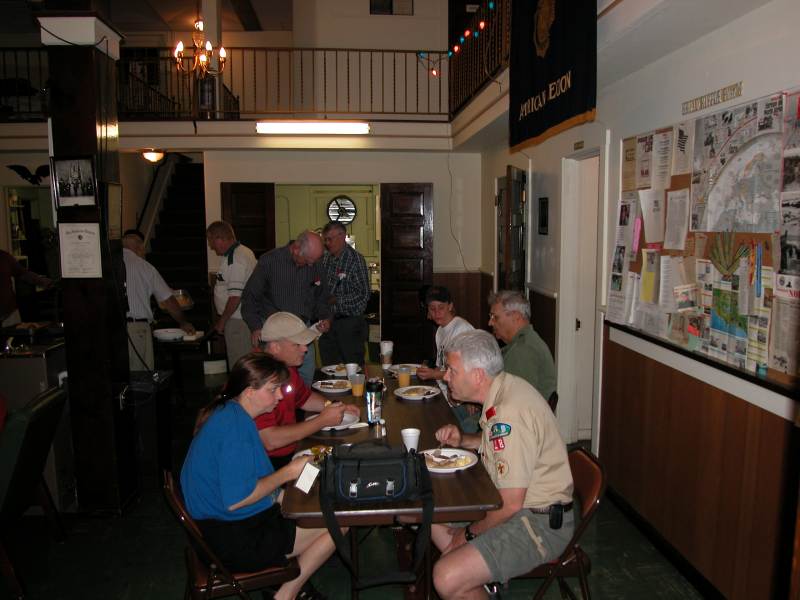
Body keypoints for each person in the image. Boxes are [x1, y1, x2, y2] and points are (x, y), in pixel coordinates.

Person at [431, 330, 574, 599]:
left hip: (540, 524)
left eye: (451, 369)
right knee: (426, 511)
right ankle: (476, 575)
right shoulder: (505, 388)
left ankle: (467, 573)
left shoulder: (508, 415)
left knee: (445, 576)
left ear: (477, 376)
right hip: (519, 509)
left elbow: (510, 505)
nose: (446, 376)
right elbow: (497, 446)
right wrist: (464, 439)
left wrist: (466, 536)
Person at [182, 353, 336, 600]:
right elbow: (237, 499)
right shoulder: (236, 430)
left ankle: (286, 588)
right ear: (249, 391)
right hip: (233, 540)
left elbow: (247, 483)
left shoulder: (230, 412)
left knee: (313, 499)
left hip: (220, 526)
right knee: (341, 519)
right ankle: (286, 594)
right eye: (273, 389)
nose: (280, 396)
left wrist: (288, 488)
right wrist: (288, 472)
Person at [257, 312, 360, 469]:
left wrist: (335, 406)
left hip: (289, 451)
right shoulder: (257, 377)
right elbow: (270, 440)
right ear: (275, 347)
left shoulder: (287, 368)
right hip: (264, 464)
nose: (305, 348)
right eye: (297, 344)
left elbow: (305, 398)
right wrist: (322, 421)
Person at [241, 231, 333, 385]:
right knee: (275, 380)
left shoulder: (316, 264)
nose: (312, 265)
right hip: (276, 333)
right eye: (309, 260)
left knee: (304, 379)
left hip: (304, 331)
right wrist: (255, 326)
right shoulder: (270, 261)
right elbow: (250, 297)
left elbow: (322, 298)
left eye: (315, 260)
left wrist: (326, 318)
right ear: (296, 249)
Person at [122, 230, 195, 371]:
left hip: (111, 330)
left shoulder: (109, 264)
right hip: (137, 329)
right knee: (140, 376)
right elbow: (168, 301)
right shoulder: (144, 267)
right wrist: (183, 322)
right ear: (139, 248)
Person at [416, 286, 479, 433]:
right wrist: (429, 372)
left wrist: (432, 374)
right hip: (443, 392)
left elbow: (467, 370)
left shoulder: (462, 329)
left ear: (450, 306)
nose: (436, 313)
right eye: (432, 309)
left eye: (441, 308)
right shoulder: (440, 331)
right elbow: (441, 368)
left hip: (458, 398)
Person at [488, 290, 556, 402]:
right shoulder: (524, 341)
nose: (490, 323)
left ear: (516, 317)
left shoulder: (523, 350)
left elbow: (512, 403)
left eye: (495, 317)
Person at [318, 221, 371, 365]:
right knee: (329, 370)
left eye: (330, 239)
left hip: (349, 325)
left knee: (352, 370)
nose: (327, 243)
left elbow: (363, 294)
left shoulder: (355, 260)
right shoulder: (326, 259)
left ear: (342, 236)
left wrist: (336, 300)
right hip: (328, 323)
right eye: (325, 239)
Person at [206, 221, 257, 369]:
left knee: (240, 365)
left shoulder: (235, 259)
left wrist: (222, 321)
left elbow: (235, 296)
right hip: (239, 319)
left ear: (219, 239)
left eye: (211, 241)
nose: (211, 245)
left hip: (238, 321)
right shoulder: (238, 253)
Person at [0, 249, 51, 327]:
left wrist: (43, 281)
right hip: (7, 313)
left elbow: (22, 273)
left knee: (16, 338)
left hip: (9, 314)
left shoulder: (4, 257)